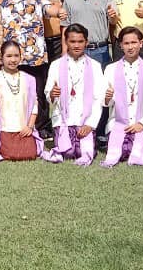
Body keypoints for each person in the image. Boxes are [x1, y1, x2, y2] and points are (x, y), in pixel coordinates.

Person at [0, 0, 58, 131]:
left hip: (35, 54)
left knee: (37, 93)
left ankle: (38, 129)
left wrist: (59, 11)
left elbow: (49, 9)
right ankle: (13, 128)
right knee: (13, 93)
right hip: (11, 55)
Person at [101, 26, 143, 168]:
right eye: (126, 43)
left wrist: (142, 123)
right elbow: (106, 103)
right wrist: (107, 97)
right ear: (120, 45)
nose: (130, 47)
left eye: (134, 43)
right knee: (123, 150)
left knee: (133, 149)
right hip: (118, 123)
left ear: (141, 44)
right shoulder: (111, 69)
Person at [44, 24, 107, 165]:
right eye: (72, 41)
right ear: (66, 42)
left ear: (86, 42)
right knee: (68, 153)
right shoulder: (56, 65)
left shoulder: (95, 66)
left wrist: (90, 124)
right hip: (63, 120)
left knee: (83, 152)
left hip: (85, 121)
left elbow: (99, 98)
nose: (76, 45)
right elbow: (48, 93)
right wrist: (53, 95)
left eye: (80, 41)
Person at [0, 40, 43, 161]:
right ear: (2, 57)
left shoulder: (29, 79)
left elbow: (34, 105)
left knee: (29, 154)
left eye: (16, 56)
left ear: (21, 57)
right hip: (3, 128)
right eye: (8, 56)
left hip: (23, 127)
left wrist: (29, 127)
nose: (13, 60)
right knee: (12, 154)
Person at [61, 0, 113, 68]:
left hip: (100, 50)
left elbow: (113, 22)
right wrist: (64, 51)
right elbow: (65, 26)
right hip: (76, 50)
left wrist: (114, 16)